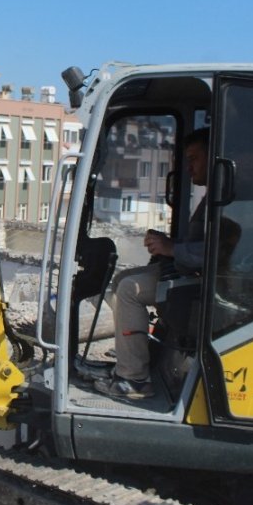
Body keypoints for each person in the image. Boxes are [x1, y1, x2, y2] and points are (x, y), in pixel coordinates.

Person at [91, 127, 210, 399]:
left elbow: (220, 254)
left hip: (203, 281)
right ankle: (131, 363)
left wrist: (173, 248)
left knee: (129, 290)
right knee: (122, 280)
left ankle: (134, 380)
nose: (189, 167)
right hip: (188, 270)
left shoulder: (226, 202)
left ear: (212, 158)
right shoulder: (212, 197)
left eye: (194, 158)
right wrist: (168, 245)